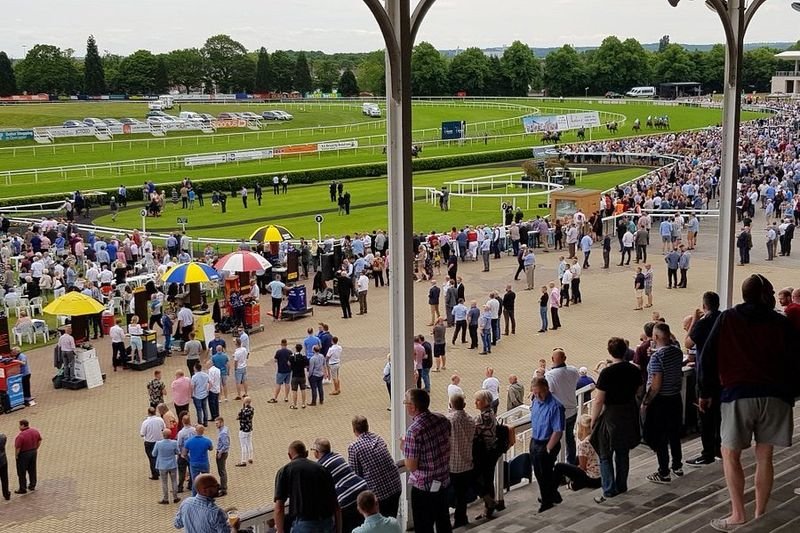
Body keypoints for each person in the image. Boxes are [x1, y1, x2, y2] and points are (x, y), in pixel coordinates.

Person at [699, 274, 797, 531]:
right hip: (776, 396)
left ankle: (737, 514)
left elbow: (707, 357)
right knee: (765, 456)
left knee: (730, 454)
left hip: (737, 395)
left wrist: (705, 392)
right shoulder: (781, 322)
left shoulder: (727, 318)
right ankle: (760, 513)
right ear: (765, 294)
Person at [591, 337, 642, 503]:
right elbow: (640, 391)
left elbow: (598, 400)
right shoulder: (634, 370)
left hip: (611, 414)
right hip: (628, 411)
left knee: (605, 452)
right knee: (623, 450)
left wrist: (593, 420)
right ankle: (622, 485)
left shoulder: (607, 372)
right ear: (625, 351)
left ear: (610, 352)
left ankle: (608, 489)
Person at [401, 388, 452, 533]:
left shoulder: (414, 431)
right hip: (443, 482)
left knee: (424, 526)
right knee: (443, 521)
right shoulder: (442, 419)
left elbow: (411, 466)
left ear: (413, 407)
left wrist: (405, 448)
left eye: (406, 403)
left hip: (424, 488)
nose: (405, 406)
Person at [642, 322, 684, 484]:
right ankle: (677, 465)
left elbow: (656, 384)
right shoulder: (677, 352)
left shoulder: (656, 358)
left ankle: (663, 472)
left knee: (660, 437)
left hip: (661, 401)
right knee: (674, 434)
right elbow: (671, 343)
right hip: (675, 398)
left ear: (656, 337)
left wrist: (646, 401)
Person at [685, 291, 723, 467]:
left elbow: (688, 343)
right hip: (723, 376)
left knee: (705, 417)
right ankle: (719, 449)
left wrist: (694, 319)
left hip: (706, 377)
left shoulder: (703, 323)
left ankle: (707, 453)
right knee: (719, 416)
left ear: (704, 305)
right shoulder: (724, 319)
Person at [274, 440, 340, 533]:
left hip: (304, 524)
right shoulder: (322, 469)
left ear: (289, 455)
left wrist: (280, 530)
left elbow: (279, 508)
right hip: (326, 522)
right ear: (306, 453)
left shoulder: (284, 471)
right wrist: (338, 529)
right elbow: (336, 505)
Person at [348, 416, 403, 519]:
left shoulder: (354, 447)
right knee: (391, 520)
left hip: (379, 494)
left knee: (380, 523)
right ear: (367, 427)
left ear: (354, 430)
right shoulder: (378, 438)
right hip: (395, 486)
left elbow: (355, 475)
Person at [313, 438, 368, 532]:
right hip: (363, 489)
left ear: (317, 452)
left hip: (346, 500)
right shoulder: (338, 456)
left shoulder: (320, 467)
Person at [530, 377, 564, 513]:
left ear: (547, 389)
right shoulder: (535, 401)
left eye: (540, 392)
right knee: (539, 473)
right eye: (535, 393)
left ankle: (547, 501)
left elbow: (558, 431)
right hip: (535, 441)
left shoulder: (556, 406)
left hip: (547, 443)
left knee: (544, 473)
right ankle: (553, 495)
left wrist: (548, 448)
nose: (538, 396)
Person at [545, 349, 580, 465]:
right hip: (572, 410)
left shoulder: (550, 375)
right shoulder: (574, 371)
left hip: (558, 413)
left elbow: (548, 393)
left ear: (552, 359)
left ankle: (554, 464)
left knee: (554, 439)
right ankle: (570, 463)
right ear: (565, 358)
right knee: (570, 438)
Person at [173, 473, 239, 533]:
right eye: (215, 485)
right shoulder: (216, 513)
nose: (219, 487)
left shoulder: (186, 503)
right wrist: (234, 527)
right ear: (204, 490)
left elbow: (177, 524)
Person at [447, 393, 475, 529]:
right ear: (464, 405)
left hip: (452, 466)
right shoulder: (470, 419)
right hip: (467, 463)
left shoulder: (449, 420)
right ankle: (461, 518)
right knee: (461, 495)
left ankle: (449, 522)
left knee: (447, 496)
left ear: (451, 405)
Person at [553, 414, 601, 490]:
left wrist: (574, 469)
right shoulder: (598, 438)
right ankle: (572, 483)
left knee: (559, 466)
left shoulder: (584, 444)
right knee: (576, 459)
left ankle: (552, 491)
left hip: (592, 478)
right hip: (601, 477)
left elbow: (583, 468)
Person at [472, 390, 498, 520]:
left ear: (485, 402)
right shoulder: (491, 413)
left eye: (478, 400)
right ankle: (488, 507)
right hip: (492, 452)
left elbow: (472, 433)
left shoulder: (482, 417)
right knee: (488, 480)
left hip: (485, 454)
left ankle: (489, 504)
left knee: (478, 479)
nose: (475, 402)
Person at [182, 424, 213, 496]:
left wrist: (189, 460)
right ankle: (207, 494)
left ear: (195, 431)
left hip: (194, 463)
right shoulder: (207, 441)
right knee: (206, 480)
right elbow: (211, 448)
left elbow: (184, 453)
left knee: (195, 481)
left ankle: (194, 496)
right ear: (203, 431)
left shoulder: (189, 441)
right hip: (204, 463)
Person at [152, 428, 181, 504]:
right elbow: (177, 452)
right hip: (172, 465)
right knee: (174, 481)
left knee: (164, 483)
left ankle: (165, 499)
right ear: (170, 435)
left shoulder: (158, 443)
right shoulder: (174, 443)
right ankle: (175, 497)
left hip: (162, 466)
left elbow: (153, 454)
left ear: (163, 435)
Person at [14, 419, 42, 495]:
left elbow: (18, 448)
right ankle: (32, 485)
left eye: (19, 425)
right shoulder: (35, 431)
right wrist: (36, 448)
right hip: (33, 452)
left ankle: (22, 488)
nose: (19, 427)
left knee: (21, 472)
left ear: (23, 425)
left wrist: (16, 455)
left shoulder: (21, 436)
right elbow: (40, 440)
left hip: (24, 454)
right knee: (32, 469)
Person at [141, 406, 166, 481]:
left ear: (148, 413)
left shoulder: (145, 422)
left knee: (152, 458)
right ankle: (161, 471)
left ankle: (155, 474)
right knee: (159, 456)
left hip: (149, 442)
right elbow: (164, 428)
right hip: (159, 441)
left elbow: (142, 434)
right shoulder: (160, 420)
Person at [270, 339, 293, 403]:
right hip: (288, 370)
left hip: (281, 371)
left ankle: (275, 397)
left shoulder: (278, 352)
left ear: (281, 344)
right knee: (287, 384)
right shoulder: (290, 352)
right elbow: (291, 361)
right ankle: (286, 397)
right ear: (286, 344)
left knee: (278, 384)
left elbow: (275, 360)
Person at [190, 363, 210, 427]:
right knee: (205, 408)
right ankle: (205, 422)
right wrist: (208, 390)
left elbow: (192, 386)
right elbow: (210, 383)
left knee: (199, 409)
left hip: (197, 395)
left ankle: (200, 422)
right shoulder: (206, 375)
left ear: (195, 368)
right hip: (204, 394)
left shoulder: (194, 377)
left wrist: (192, 394)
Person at [214, 417, 229, 497]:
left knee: (222, 471)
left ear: (221, 423)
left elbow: (226, 444)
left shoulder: (223, 433)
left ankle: (223, 489)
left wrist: (220, 452)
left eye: (217, 423)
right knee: (221, 470)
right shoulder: (224, 429)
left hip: (222, 453)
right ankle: (223, 485)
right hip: (221, 451)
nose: (216, 425)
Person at [0, 432, 9, 501]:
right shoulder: (2, 437)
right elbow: (4, 436)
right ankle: (6, 494)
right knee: (4, 479)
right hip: (3, 461)